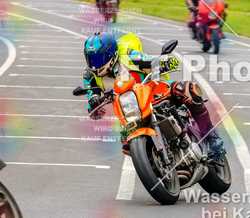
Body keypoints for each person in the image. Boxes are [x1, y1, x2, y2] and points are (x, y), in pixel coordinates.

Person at [82, 32, 225, 157]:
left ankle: (211, 136)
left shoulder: (127, 55)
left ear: (111, 54)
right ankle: (155, 164)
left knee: (186, 89)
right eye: (91, 59)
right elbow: (92, 99)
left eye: (98, 59)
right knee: (127, 145)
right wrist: (94, 103)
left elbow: (149, 60)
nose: (94, 64)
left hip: (152, 91)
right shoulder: (90, 75)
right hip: (129, 109)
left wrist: (165, 62)